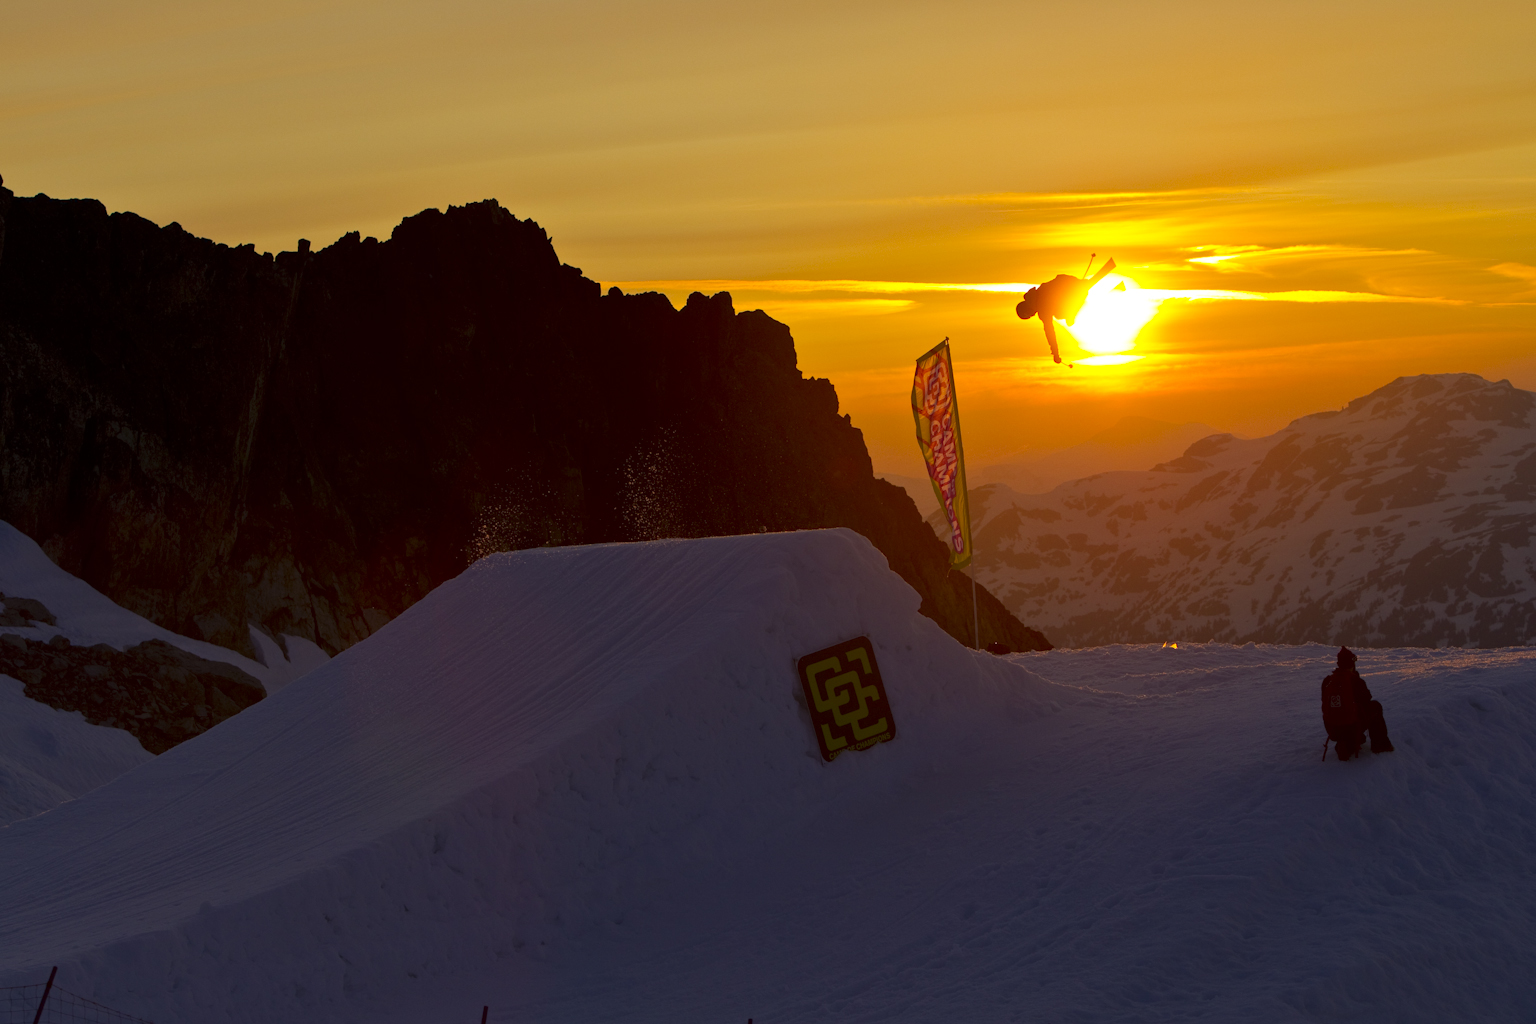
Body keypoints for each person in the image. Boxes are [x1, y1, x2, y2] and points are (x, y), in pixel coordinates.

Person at [1016, 257, 1116, 363]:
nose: (1032, 315)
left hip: (1071, 291)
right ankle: (1072, 310)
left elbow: (1050, 332)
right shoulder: (1037, 293)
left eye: (1029, 315)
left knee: (1060, 316)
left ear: (1027, 311)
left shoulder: (1041, 307)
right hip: (1070, 284)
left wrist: (1055, 353)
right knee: (1065, 313)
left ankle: (1071, 313)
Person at [1323, 646, 1394, 760]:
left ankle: (1347, 742)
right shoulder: (1355, 681)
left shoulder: (1328, 681)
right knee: (1375, 707)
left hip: (1332, 728)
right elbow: (1366, 700)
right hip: (1351, 726)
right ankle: (1380, 746)